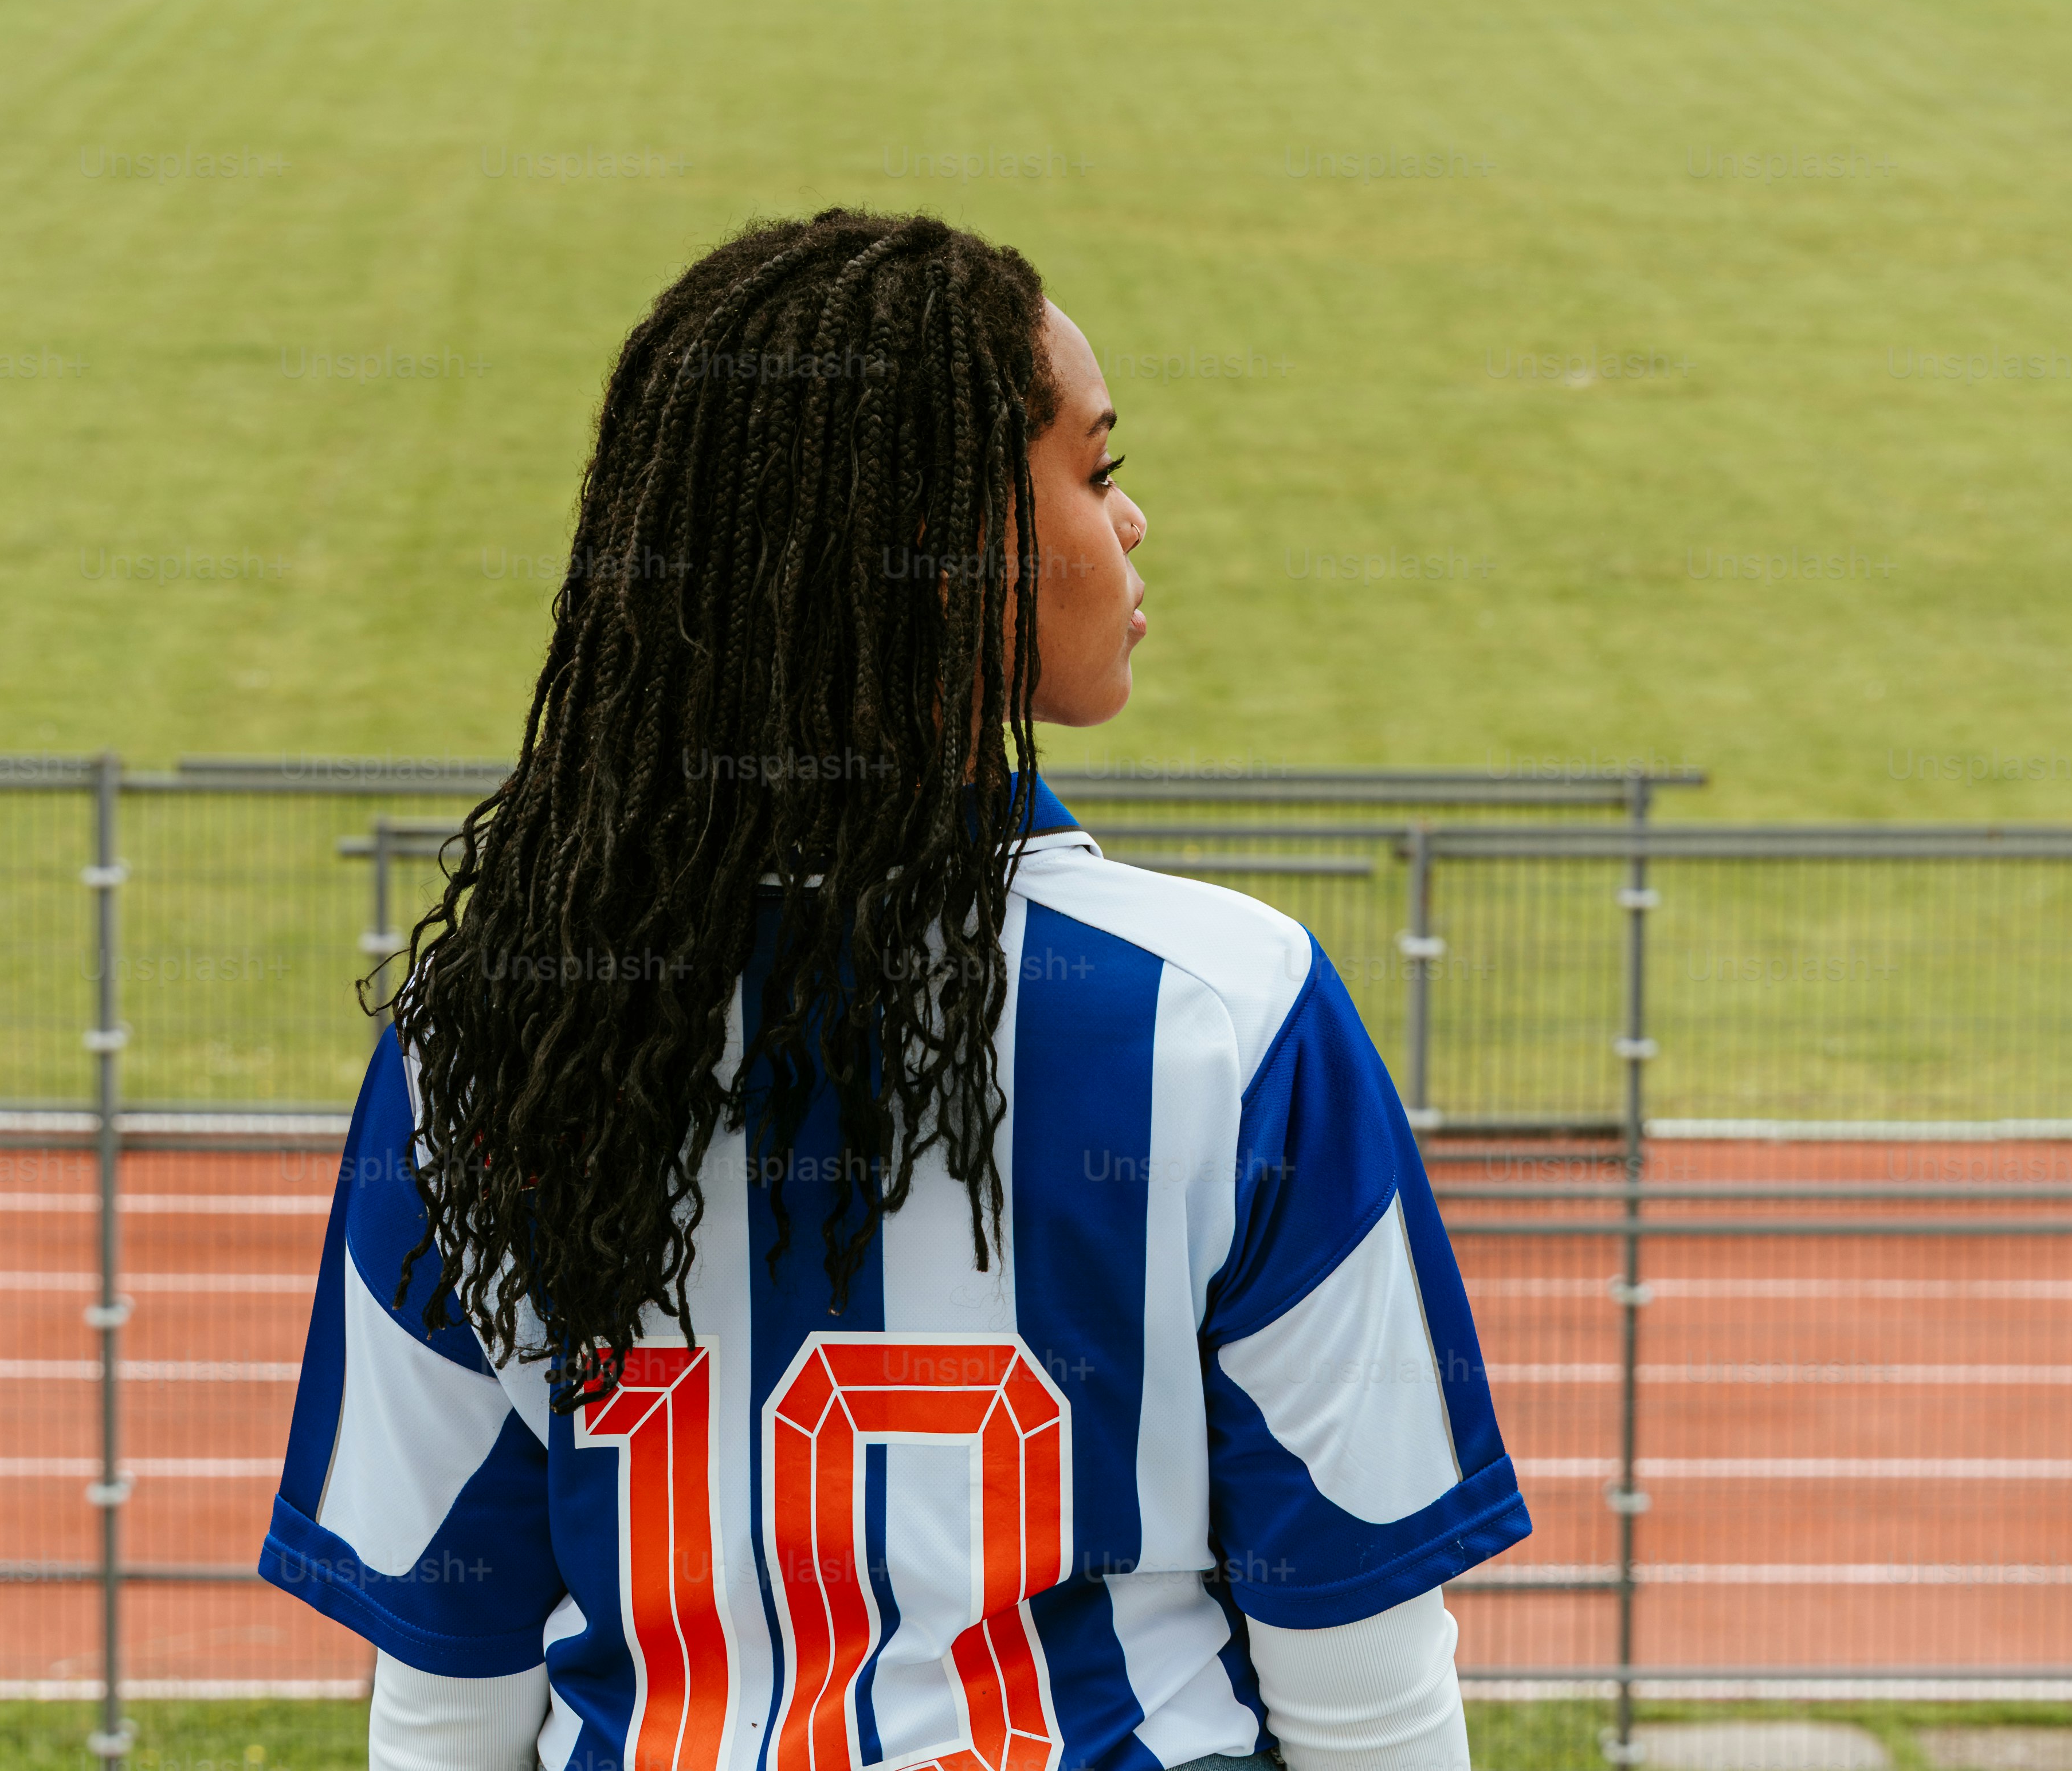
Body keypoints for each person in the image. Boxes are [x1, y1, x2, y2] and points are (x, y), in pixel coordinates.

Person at [264, 209, 1526, 1771]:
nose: (1131, 525)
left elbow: (450, 1701)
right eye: (1097, 470)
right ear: (951, 553)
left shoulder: (486, 1041)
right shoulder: (1229, 1014)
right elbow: (1366, 1684)